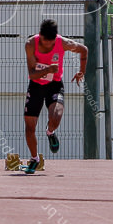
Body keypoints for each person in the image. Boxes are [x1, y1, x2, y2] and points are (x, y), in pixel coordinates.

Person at [23, 19, 88, 174]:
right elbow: (31, 74)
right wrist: (47, 70)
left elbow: (84, 49)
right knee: (29, 127)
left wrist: (81, 71)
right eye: (45, 42)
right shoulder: (30, 44)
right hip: (36, 85)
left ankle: (50, 132)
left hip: (54, 85)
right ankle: (34, 159)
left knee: (56, 116)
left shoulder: (63, 43)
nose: (48, 45)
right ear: (40, 36)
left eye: (51, 43)